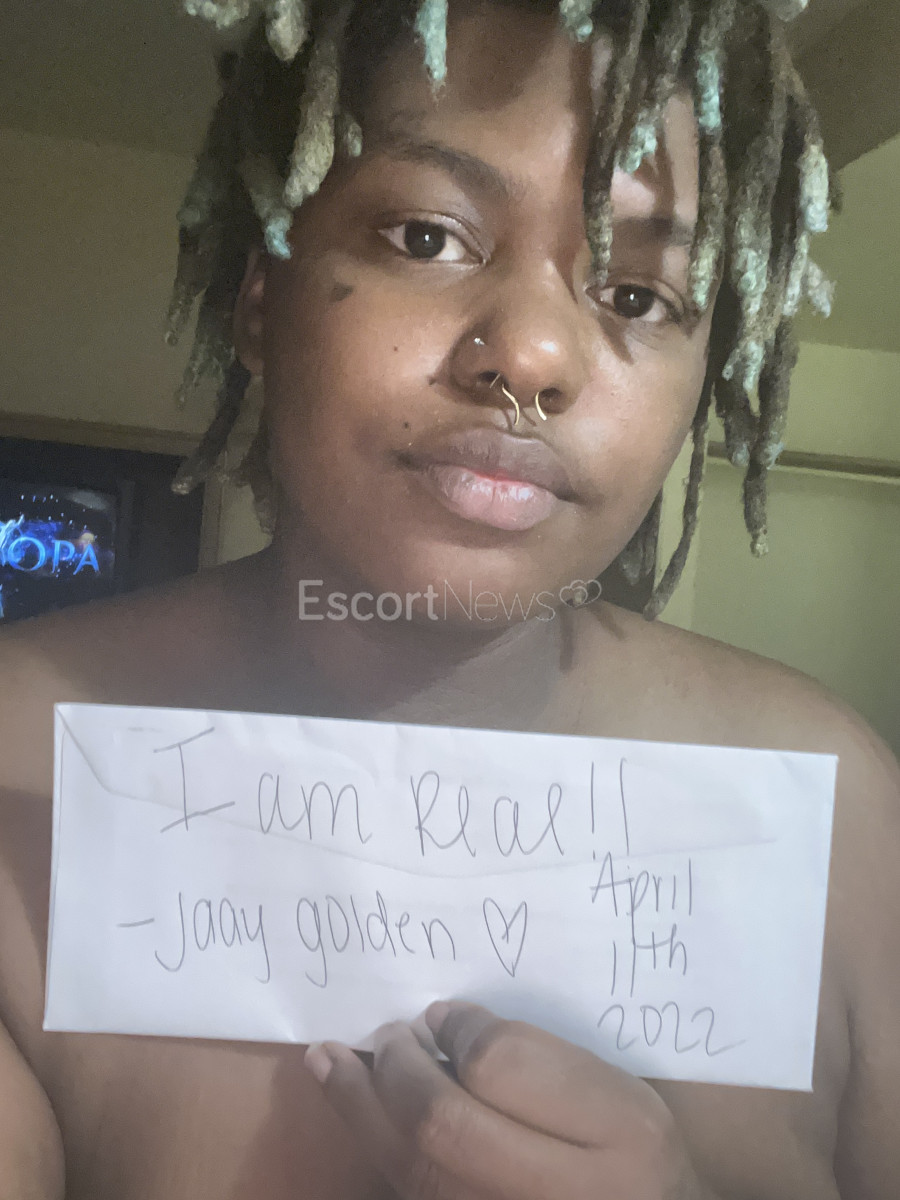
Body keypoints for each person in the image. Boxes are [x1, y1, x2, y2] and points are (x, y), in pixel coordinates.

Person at [0, 0, 898, 1196]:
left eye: (638, 297)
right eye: (427, 237)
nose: (532, 355)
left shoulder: (842, 808)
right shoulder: (18, 758)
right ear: (262, 295)